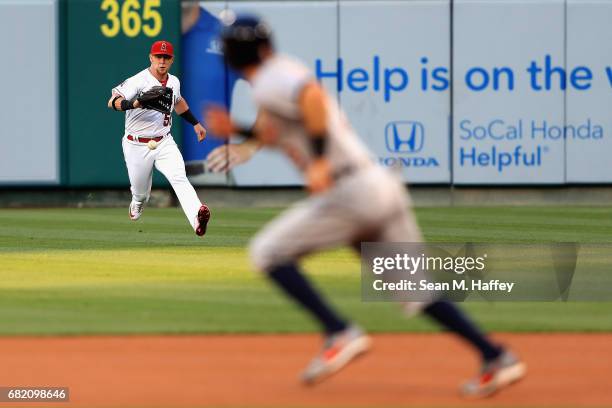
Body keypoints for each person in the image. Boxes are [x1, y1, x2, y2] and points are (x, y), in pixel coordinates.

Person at [205, 15, 526, 397]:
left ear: (235, 52)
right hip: (378, 187)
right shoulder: (275, 76)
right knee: (418, 292)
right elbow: (282, 134)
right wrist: (240, 130)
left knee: (267, 252)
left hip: (351, 192)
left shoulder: (273, 76)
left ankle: (339, 331)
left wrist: (321, 160)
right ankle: (495, 356)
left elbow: (310, 97)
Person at [107, 40, 210, 236]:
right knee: (141, 193)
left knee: (179, 177)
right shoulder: (138, 81)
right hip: (136, 143)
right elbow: (112, 101)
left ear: (172, 60)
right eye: (158, 56)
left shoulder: (174, 81)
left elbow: (178, 101)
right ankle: (137, 202)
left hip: (164, 141)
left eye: (166, 57)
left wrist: (195, 123)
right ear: (151, 58)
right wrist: (134, 103)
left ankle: (198, 217)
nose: (162, 61)